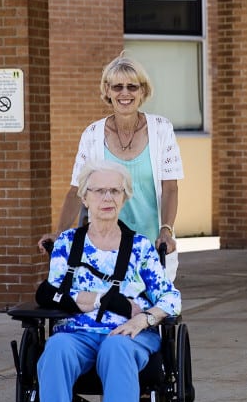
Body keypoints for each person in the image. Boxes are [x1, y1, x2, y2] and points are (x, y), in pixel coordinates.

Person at [31, 159, 182, 402]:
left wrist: (142, 317)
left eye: (115, 190)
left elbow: (171, 300)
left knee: (116, 347)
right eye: (98, 190)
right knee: (55, 346)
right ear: (84, 198)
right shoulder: (67, 244)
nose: (107, 198)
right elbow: (50, 294)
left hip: (130, 335)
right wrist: (105, 300)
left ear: (124, 197)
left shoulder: (140, 247)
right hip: (78, 334)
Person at [40, 52, 184, 281]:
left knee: (151, 311)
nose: (125, 93)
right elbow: (77, 190)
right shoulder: (92, 134)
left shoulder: (161, 129)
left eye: (132, 87)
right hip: (104, 248)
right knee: (107, 311)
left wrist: (166, 230)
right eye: (117, 87)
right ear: (107, 90)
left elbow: (170, 188)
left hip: (152, 245)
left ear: (143, 91)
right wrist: (61, 232)